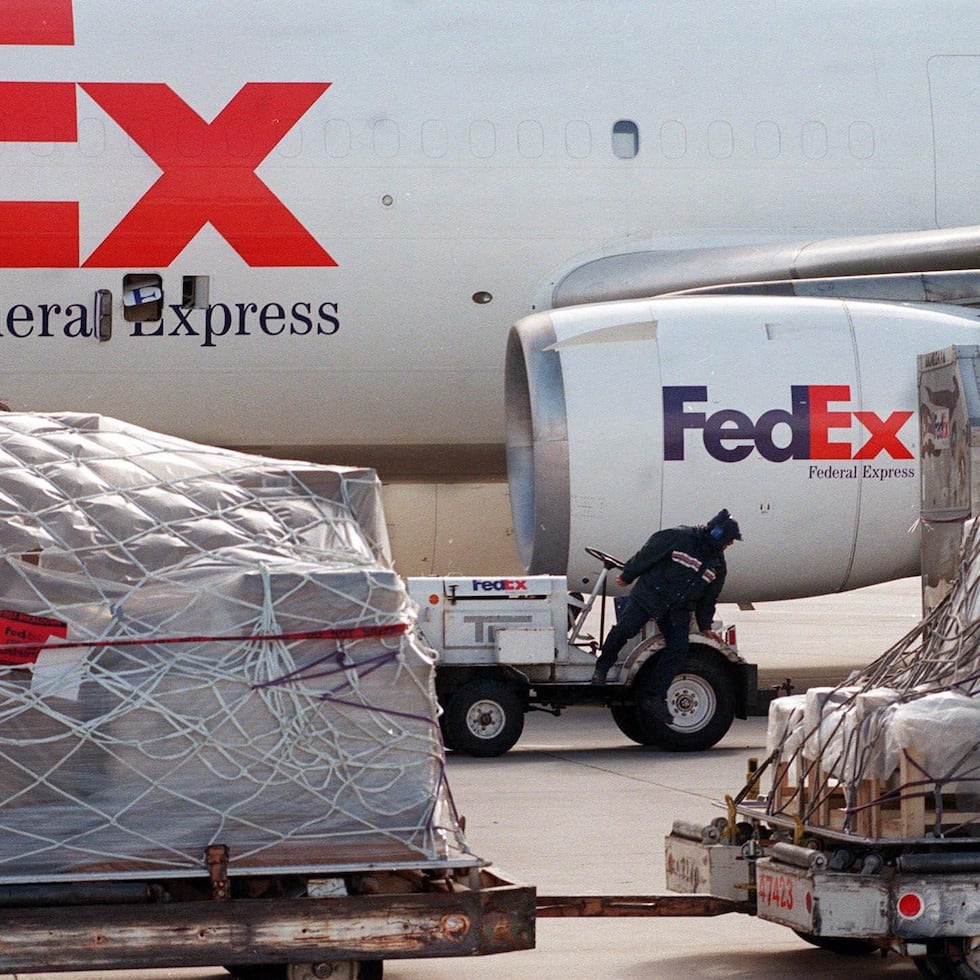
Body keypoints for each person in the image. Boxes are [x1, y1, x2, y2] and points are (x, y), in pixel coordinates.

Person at [590, 509, 742, 724]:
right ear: (716, 534)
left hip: (678, 609)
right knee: (625, 630)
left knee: (678, 649)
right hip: (650, 595)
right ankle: (602, 668)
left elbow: (709, 597)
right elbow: (648, 554)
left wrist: (705, 625)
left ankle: (654, 695)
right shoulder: (679, 537)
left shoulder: (718, 565)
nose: (730, 545)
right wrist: (628, 575)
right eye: (729, 540)